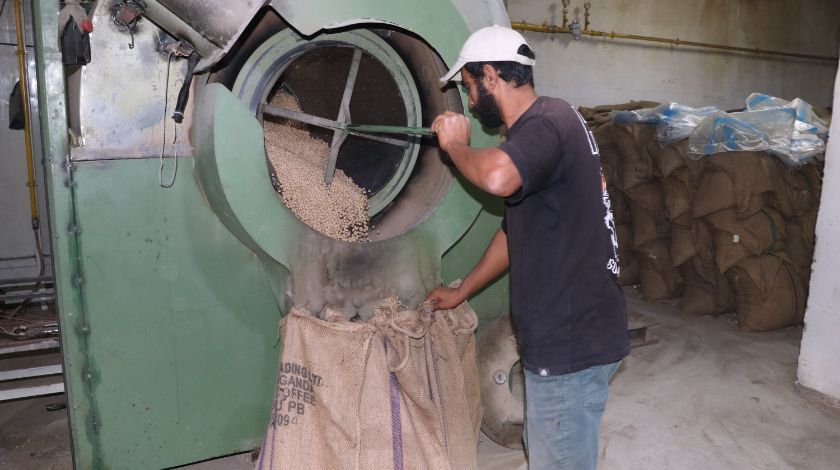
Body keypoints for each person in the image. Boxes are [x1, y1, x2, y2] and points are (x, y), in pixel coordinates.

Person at [425, 25, 630, 469]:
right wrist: (463, 291)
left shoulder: (546, 122)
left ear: (492, 76)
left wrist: (456, 146)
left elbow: (497, 177)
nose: (473, 102)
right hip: (571, 338)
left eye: (470, 86)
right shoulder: (546, 130)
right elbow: (513, 235)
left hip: (571, 345)